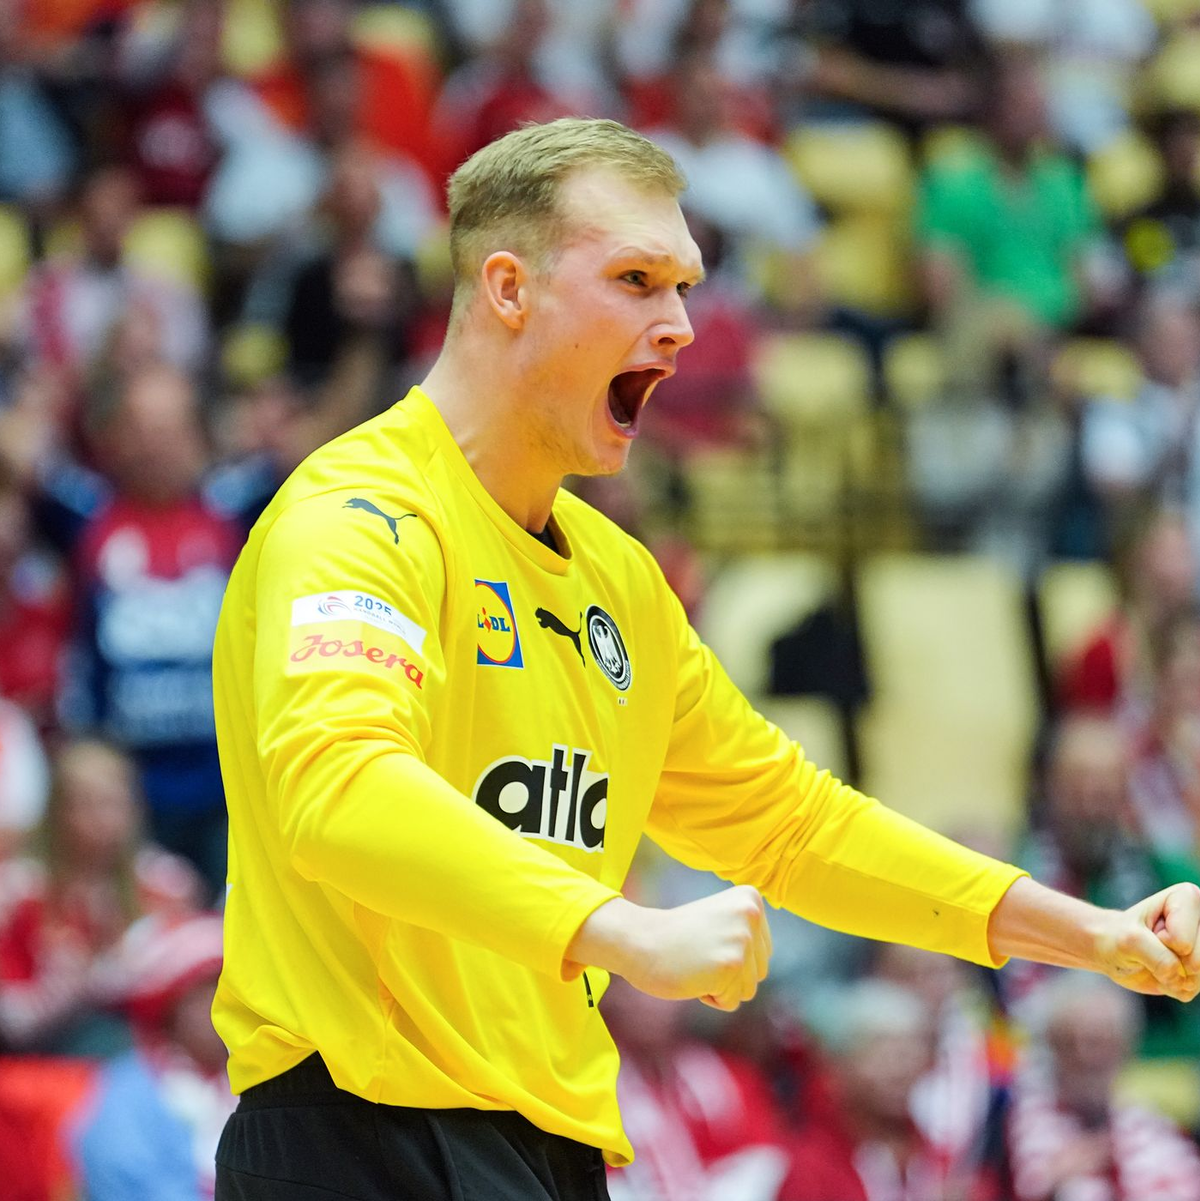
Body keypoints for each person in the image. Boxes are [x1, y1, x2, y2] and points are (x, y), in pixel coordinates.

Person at [211, 118, 1200, 1201]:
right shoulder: (358, 516)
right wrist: (621, 929)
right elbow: (338, 792)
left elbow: (797, 825)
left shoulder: (622, 584)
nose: (680, 327)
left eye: (685, 286)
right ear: (507, 289)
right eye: (637, 281)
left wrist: (1093, 933)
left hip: (546, 1141)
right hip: (357, 1135)